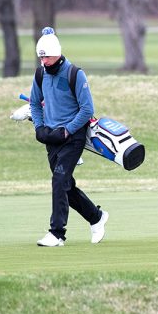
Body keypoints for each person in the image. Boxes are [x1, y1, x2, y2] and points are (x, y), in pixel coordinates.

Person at [29, 27, 108, 247]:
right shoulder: (40, 74)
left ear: (57, 54)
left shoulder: (74, 74)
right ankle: (96, 217)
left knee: (59, 180)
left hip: (73, 137)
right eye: (41, 58)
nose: (44, 62)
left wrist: (68, 130)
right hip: (51, 137)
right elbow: (35, 103)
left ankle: (57, 233)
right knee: (65, 185)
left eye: (47, 57)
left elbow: (86, 109)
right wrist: (39, 127)